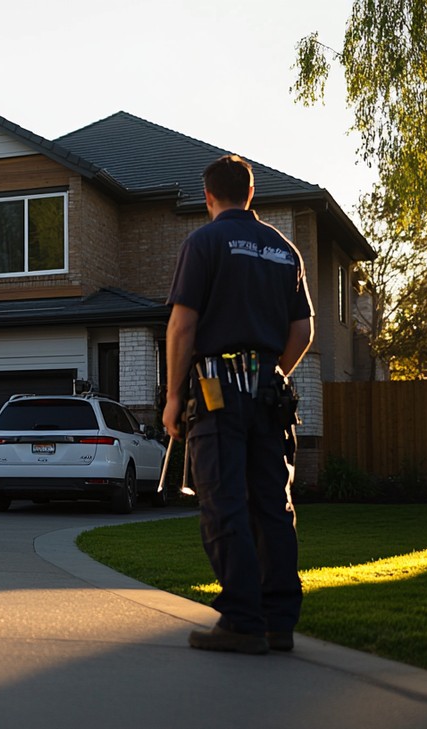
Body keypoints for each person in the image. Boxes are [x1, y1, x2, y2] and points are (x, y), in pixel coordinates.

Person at [162, 154, 313, 655]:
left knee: (224, 502)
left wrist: (172, 397)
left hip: (217, 393)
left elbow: (183, 325)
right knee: (273, 505)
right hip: (269, 399)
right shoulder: (285, 250)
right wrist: (272, 376)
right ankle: (278, 622)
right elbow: (303, 330)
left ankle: (242, 621)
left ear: (209, 197)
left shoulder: (203, 243)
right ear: (251, 195)